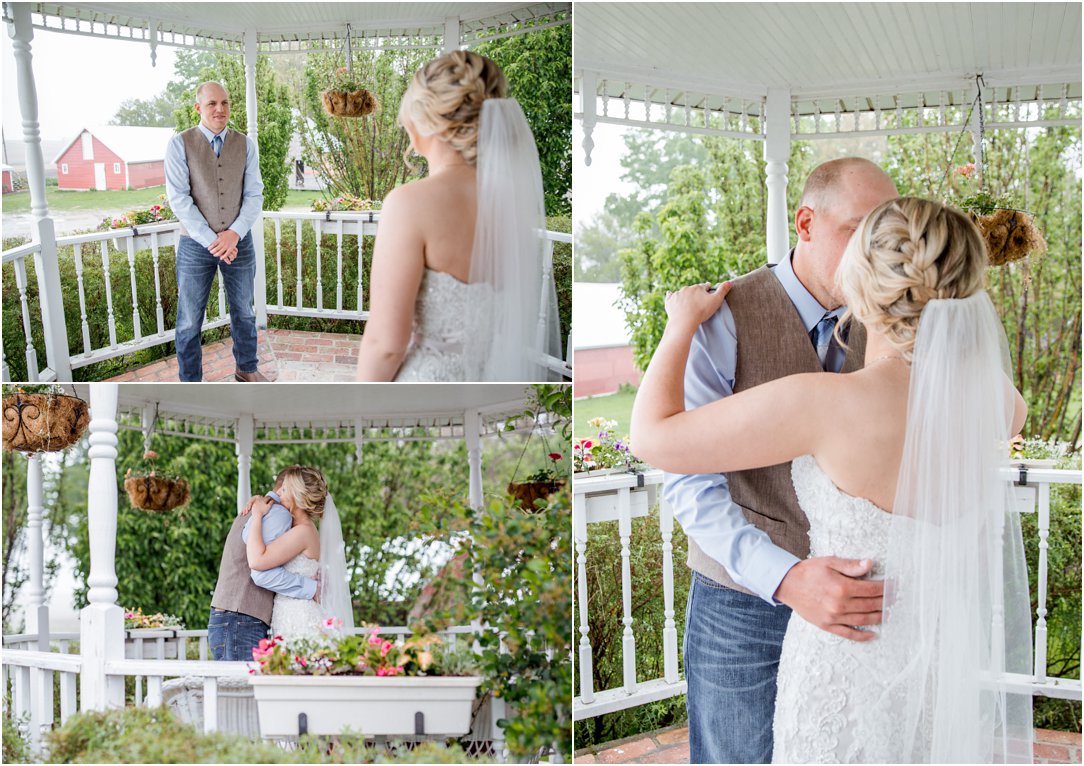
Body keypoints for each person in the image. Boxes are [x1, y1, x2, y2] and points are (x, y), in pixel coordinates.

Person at [633, 197, 1032, 762]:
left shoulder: (826, 405)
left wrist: (678, 328)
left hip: (840, 676)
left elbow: (652, 438)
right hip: (931, 671)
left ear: (865, 285)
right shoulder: (996, 401)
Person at [659, 157, 898, 763]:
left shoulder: (895, 321)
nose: (877, 255)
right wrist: (785, 578)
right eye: (859, 231)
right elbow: (688, 482)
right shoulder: (724, 317)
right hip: (739, 601)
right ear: (806, 223)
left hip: (855, 602)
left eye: (888, 234)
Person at [355, 50, 561, 382]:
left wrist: (358, 412)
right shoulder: (511, 203)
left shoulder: (409, 203)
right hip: (486, 387)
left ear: (424, 119)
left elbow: (386, 345)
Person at [165, 81, 268, 383]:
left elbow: (255, 195)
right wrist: (214, 241)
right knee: (188, 322)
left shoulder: (245, 144)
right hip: (195, 246)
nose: (220, 109)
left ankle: (246, 369)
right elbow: (179, 200)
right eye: (212, 104)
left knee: (245, 313)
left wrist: (233, 234)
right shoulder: (179, 144)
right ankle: (191, 383)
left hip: (239, 242)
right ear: (198, 108)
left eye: (224, 102)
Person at [208, 466, 320, 660]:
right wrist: (312, 587)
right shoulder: (277, 514)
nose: (280, 492)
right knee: (244, 689)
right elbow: (259, 569)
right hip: (241, 619)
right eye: (282, 488)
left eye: (285, 489)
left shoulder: (262, 511)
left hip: (233, 617)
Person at [244, 466, 354, 640]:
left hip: (299, 616)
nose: (278, 492)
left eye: (285, 488)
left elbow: (257, 561)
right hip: (291, 614)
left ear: (297, 496)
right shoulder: (300, 529)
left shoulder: (302, 532)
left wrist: (257, 515)